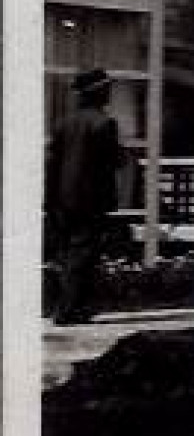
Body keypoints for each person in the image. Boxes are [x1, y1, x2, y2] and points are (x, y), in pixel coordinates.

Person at [44, 69, 125, 325]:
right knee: (83, 254)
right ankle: (68, 310)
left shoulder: (62, 123)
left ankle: (73, 306)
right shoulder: (104, 124)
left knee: (69, 253)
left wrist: (49, 200)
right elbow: (114, 162)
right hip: (89, 200)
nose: (110, 93)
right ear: (97, 92)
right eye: (106, 88)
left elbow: (52, 166)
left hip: (61, 199)